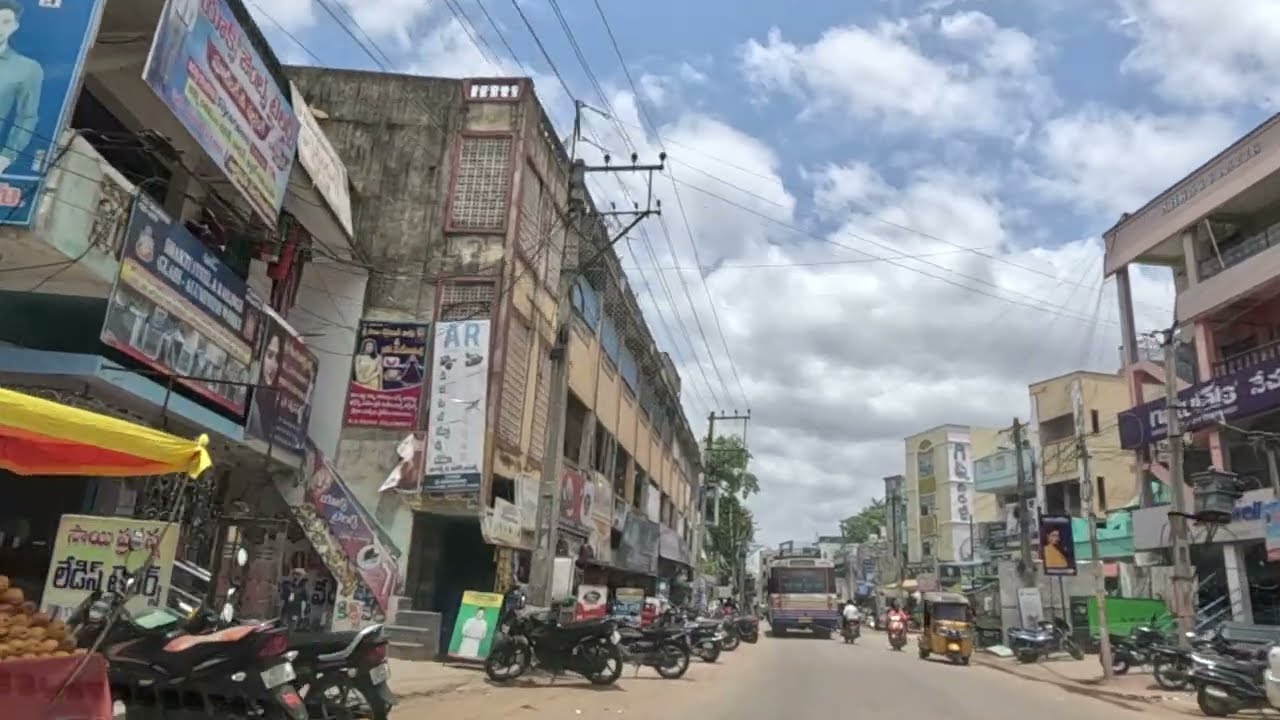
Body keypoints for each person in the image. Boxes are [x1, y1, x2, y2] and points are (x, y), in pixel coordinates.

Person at [0, 0, 42, 177]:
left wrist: (6, 157)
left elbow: (27, 117)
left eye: (5, 22)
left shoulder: (26, 68)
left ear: (15, 26)